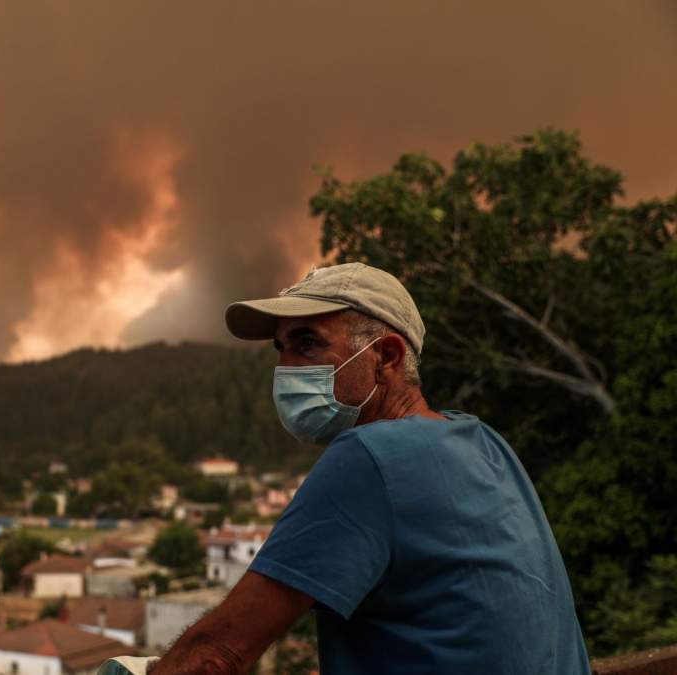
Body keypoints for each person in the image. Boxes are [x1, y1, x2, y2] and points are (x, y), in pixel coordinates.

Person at [143, 262, 591, 675]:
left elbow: (215, 655)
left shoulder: (368, 457)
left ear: (387, 357)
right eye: (281, 348)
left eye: (307, 343)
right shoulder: (485, 441)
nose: (285, 368)